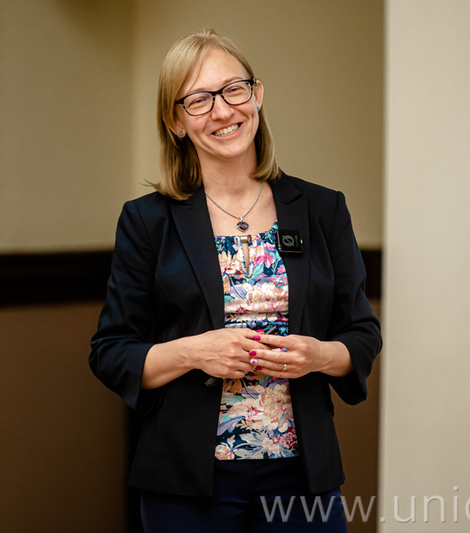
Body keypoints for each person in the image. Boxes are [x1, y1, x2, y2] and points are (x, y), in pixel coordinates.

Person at [89, 29, 381, 532]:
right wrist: (194, 351)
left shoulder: (321, 208)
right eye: (199, 100)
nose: (223, 111)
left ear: (257, 95)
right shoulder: (147, 221)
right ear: (176, 122)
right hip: (186, 484)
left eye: (233, 90)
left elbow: (362, 335)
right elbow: (111, 352)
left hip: (302, 478)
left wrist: (316, 355)